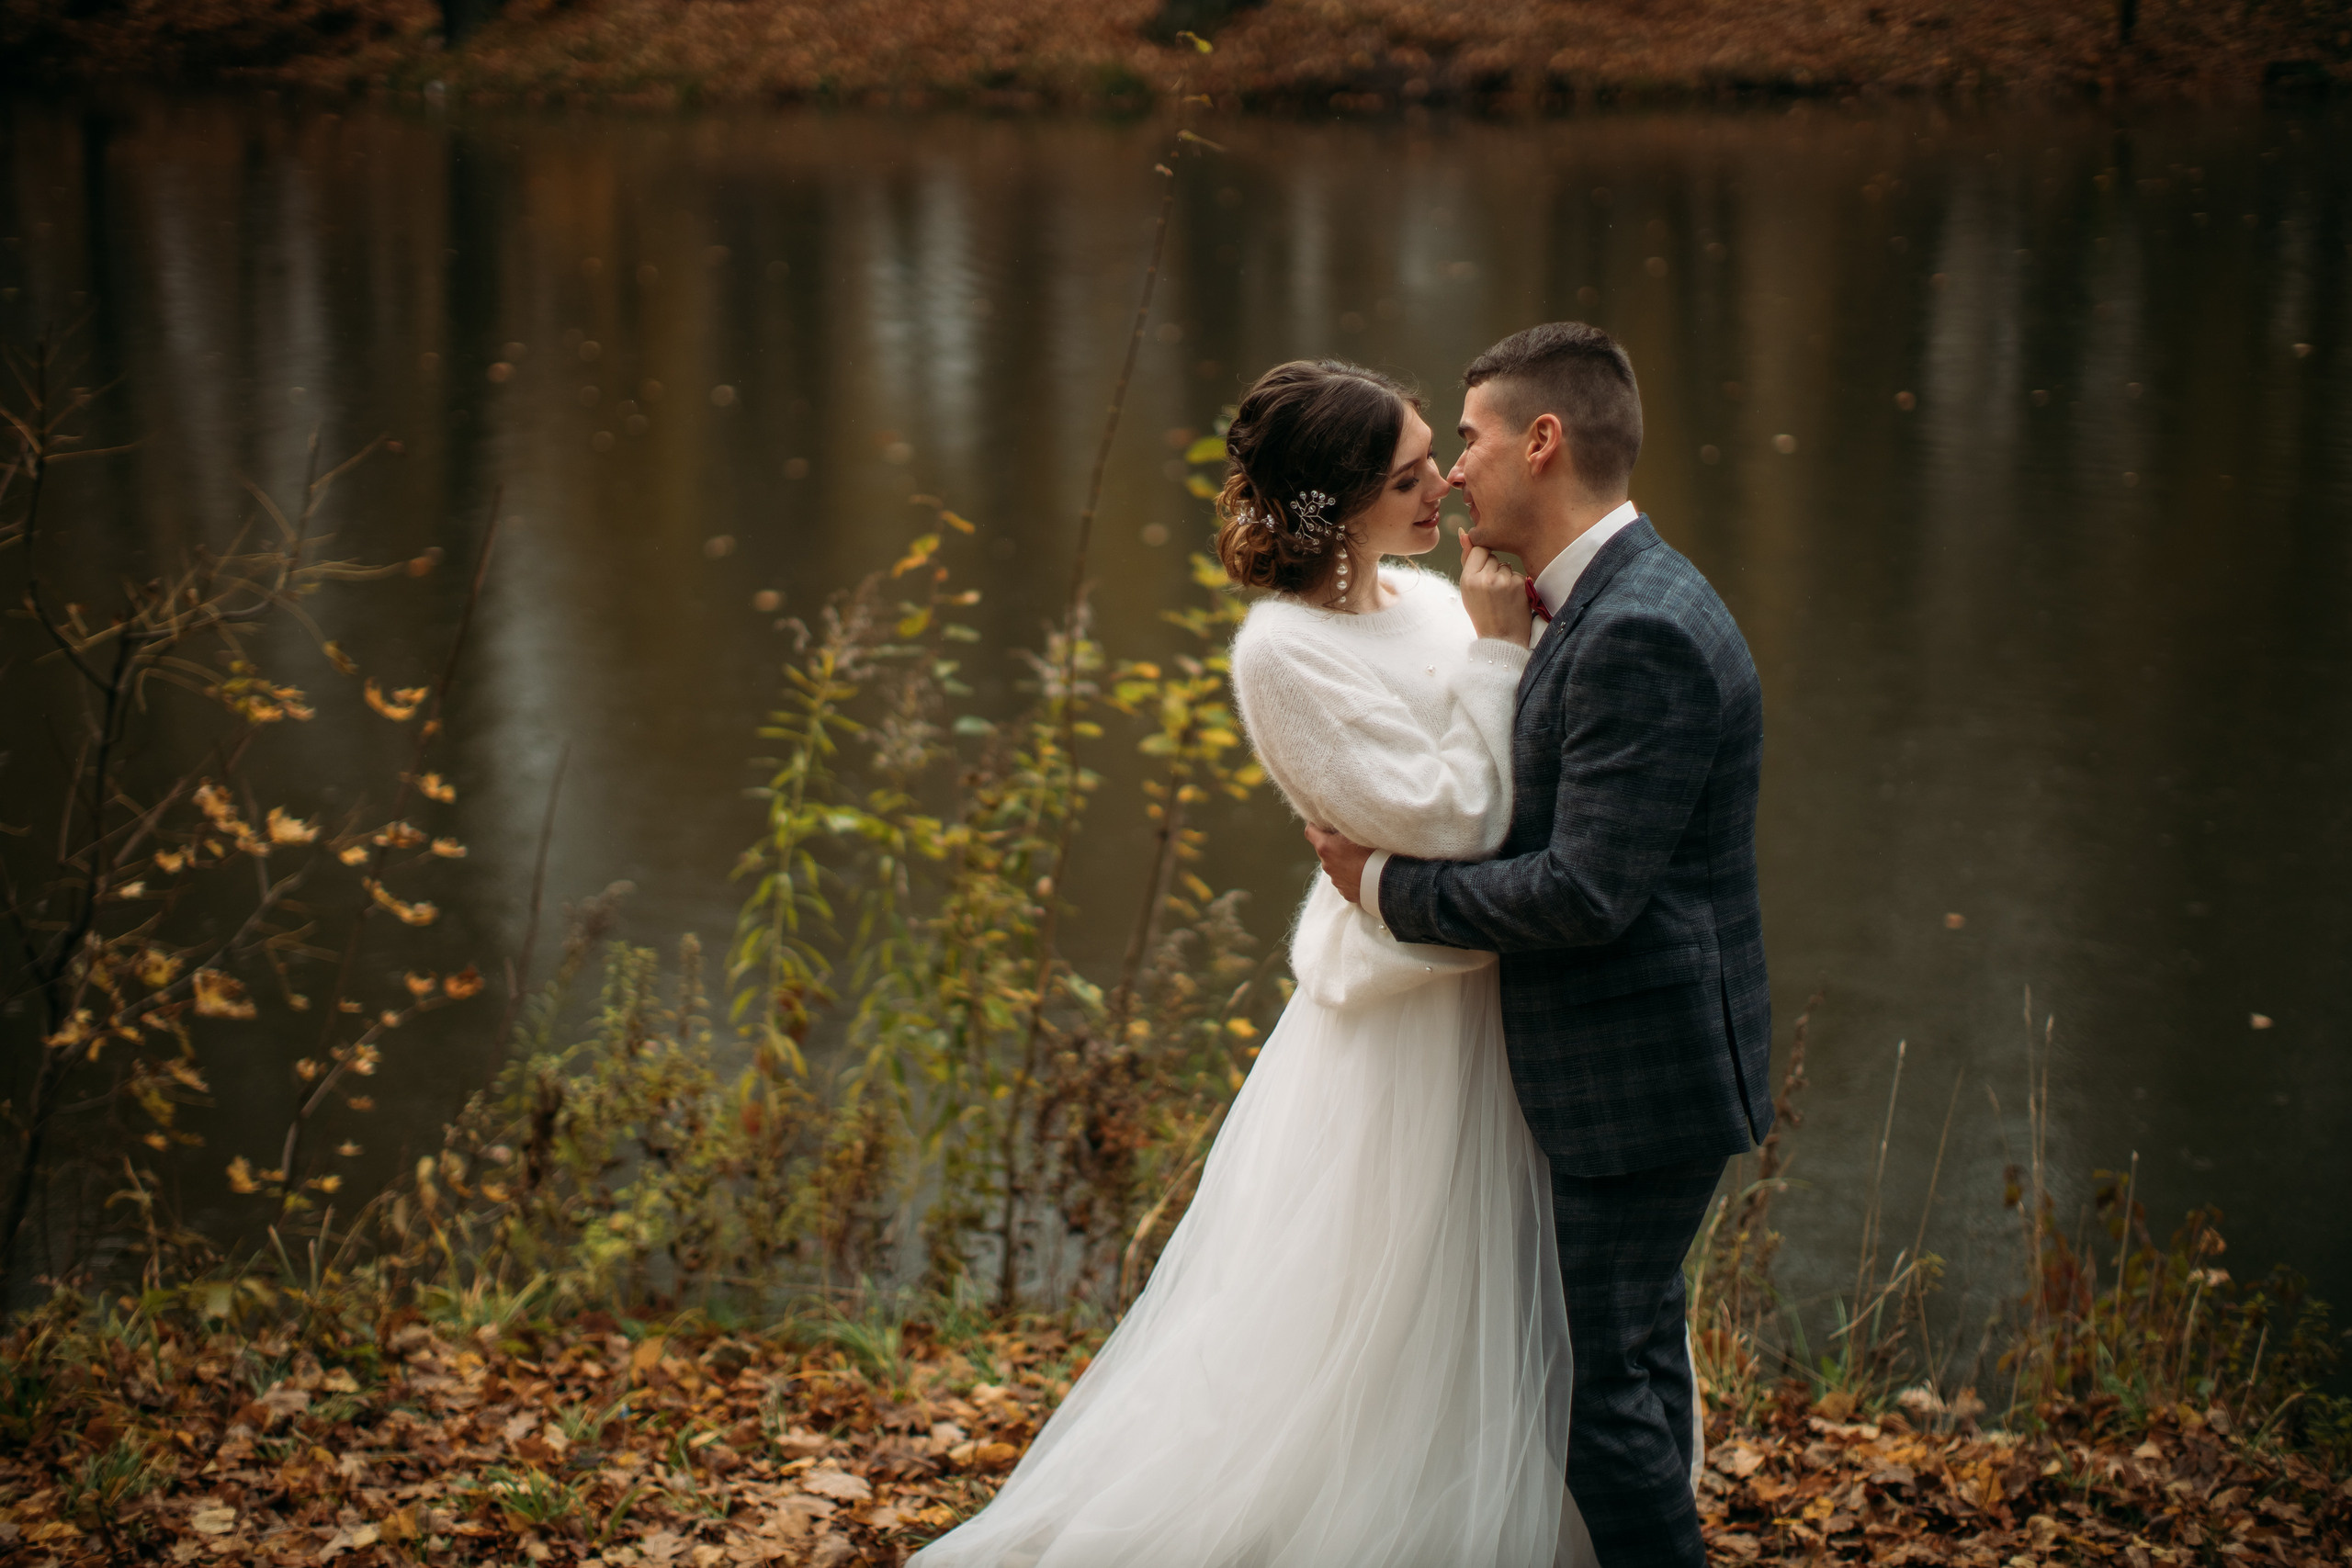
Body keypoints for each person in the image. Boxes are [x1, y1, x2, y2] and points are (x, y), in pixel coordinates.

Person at [911, 357, 1579, 1567]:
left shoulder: (1432, 599)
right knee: (1379, 1297)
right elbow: (1453, 820)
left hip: (1491, 992)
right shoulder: (1282, 655)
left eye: (1432, 457)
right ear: (1334, 506)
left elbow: (1513, 776)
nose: (1442, 485)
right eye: (1407, 477)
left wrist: (1501, 648)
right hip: (1400, 1028)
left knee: (1491, 1290)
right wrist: (1499, 656)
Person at [1306, 321, 1773, 1568]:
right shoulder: (1602, 601)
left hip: (1639, 1080)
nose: (1452, 471)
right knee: (1626, 1368)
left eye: (1468, 439)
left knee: (1592, 1395)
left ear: (1544, 441)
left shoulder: (1638, 632)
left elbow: (1584, 895)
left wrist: (1386, 886)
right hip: (1639, 1065)